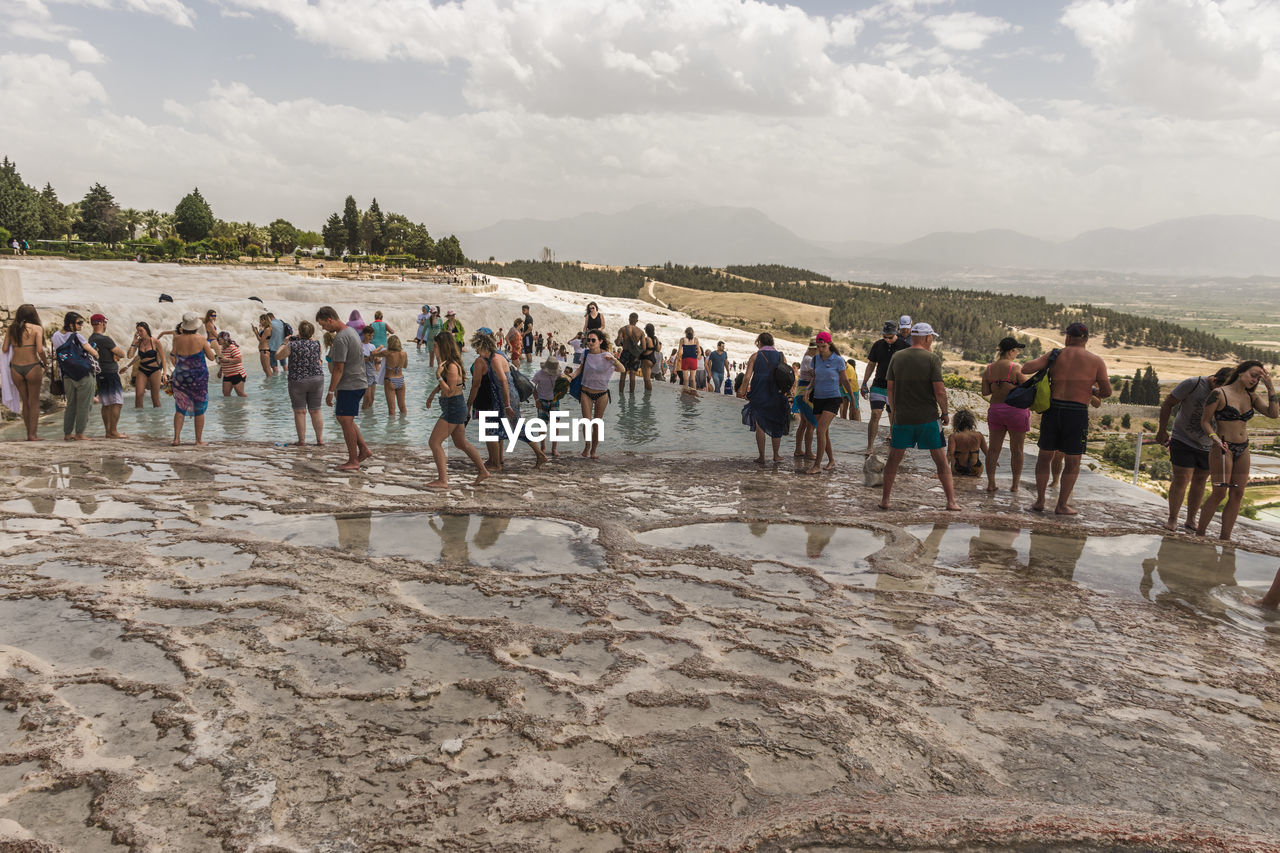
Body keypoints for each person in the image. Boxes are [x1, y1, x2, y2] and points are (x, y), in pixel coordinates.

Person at [1023, 322, 1111, 515]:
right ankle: (1062, 505)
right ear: (1086, 340)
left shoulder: (1056, 355)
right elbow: (1106, 392)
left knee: (1045, 456)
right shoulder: (1096, 361)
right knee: (1073, 461)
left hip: (1053, 410)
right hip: (1076, 412)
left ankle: (1039, 501)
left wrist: (1049, 363)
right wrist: (1092, 388)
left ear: (1068, 338)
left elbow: (1026, 368)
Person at [879, 322, 960, 511]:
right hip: (928, 419)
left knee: (893, 460)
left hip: (902, 418)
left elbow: (890, 388)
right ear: (926, 338)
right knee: (940, 461)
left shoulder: (897, 357)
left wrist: (894, 411)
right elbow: (939, 390)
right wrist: (945, 412)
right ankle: (951, 502)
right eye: (931, 336)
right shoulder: (932, 359)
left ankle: (885, 500)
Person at [1196, 361, 1277, 540]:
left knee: (1238, 494)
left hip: (1243, 447)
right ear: (1240, 372)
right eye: (1253, 375)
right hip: (1222, 446)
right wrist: (1214, 439)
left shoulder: (1252, 397)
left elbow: (1273, 414)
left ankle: (1225, 538)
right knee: (1219, 492)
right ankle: (1199, 534)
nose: (1255, 380)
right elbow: (1205, 422)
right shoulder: (1219, 393)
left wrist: (1270, 386)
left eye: (1259, 378)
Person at [1155, 367, 1231, 532]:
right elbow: (1168, 403)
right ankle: (1172, 518)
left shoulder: (1230, 391)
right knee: (1182, 479)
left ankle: (1190, 520)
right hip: (1183, 438)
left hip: (1210, 444)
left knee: (1200, 481)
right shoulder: (1194, 383)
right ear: (1216, 380)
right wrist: (1162, 430)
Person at [468, 329, 548, 470]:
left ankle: (537, 455)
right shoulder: (498, 355)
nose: (477, 352)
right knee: (513, 427)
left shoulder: (494, 359)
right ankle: (498, 460)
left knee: (514, 427)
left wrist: (507, 405)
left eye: (477, 348)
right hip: (505, 397)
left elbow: (504, 381)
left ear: (482, 346)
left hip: (507, 397)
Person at [424, 333, 489, 488]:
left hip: (453, 409)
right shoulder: (448, 364)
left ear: (443, 347)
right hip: (455, 408)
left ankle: (443, 480)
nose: (434, 348)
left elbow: (449, 391)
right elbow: (446, 386)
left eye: (436, 346)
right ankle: (483, 471)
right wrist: (433, 394)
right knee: (461, 443)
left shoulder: (452, 366)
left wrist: (438, 376)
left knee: (434, 442)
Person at [317, 305, 373, 470]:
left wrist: (330, 391)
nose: (323, 328)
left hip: (350, 384)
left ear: (330, 320)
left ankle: (353, 460)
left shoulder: (341, 338)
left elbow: (339, 368)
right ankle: (363, 449)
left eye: (323, 325)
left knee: (345, 420)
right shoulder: (352, 332)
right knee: (344, 419)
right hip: (358, 381)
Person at [981, 337, 1029, 492]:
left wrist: (998, 386)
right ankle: (1015, 485)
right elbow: (1027, 387)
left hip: (996, 410)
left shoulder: (988, 369)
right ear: (1010, 351)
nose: (1018, 353)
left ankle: (991, 483)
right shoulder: (1015, 368)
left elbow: (985, 392)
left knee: (994, 449)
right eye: (1017, 350)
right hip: (1015, 411)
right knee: (1017, 450)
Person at [802, 332, 852, 474]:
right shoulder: (816, 359)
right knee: (824, 432)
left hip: (833, 398)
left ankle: (817, 465)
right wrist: (807, 389)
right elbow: (815, 378)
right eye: (818, 346)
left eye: (823, 346)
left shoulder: (838, 360)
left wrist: (853, 399)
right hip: (818, 398)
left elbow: (844, 380)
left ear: (829, 344)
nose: (821, 349)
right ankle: (831, 460)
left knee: (820, 430)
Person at [568, 330, 622, 459]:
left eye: (593, 340)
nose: (590, 342)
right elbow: (581, 368)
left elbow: (622, 369)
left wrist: (614, 360)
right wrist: (571, 376)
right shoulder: (585, 354)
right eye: (589, 340)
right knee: (587, 421)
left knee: (597, 423)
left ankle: (594, 450)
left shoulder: (607, 356)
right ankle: (587, 446)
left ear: (600, 341)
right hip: (586, 391)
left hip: (602, 394)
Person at [738, 332, 790, 464]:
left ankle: (762, 457)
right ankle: (776, 455)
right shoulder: (780, 356)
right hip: (777, 393)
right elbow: (786, 375)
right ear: (772, 342)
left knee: (760, 424)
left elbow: (747, 376)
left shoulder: (755, 356)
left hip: (759, 392)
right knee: (777, 423)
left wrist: (742, 390)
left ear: (759, 342)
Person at [168, 312, 217, 446]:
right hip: (198, 378)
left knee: (180, 407)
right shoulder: (201, 339)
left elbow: (173, 354)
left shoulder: (176, 339)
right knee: (199, 408)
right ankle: (198, 440)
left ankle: (176, 439)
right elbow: (211, 357)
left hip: (181, 376)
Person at [861, 321, 910, 455]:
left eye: (890, 337)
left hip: (896, 387)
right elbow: (871, 364)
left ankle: (894, 442)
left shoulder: (905, 347)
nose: (887, 340)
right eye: (885, 337)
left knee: (893, 416)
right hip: (878, 384)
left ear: (896, 334)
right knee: (875, 414)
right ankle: (870, 446)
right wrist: (864, 382)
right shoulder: (878, 345)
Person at [51, 312, 100, 441]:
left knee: (71, 404)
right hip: (83, 374)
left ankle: (67, 433)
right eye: (79, 323)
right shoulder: (77, 336)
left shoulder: (55, 336)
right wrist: (97, 353)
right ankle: (80, 433)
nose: (81, 326)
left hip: (67, 374)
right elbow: (92, 351)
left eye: (81, 323)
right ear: (70, 323)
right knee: (85, 404)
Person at [2, 304, 47, 441]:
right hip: (32, 366)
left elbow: (4, 349)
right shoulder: (37, 329)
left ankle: (29, 434)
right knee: (33, 402)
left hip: (15, 368)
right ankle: (32, 435)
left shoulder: (12, 329)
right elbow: (39, 350)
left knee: (25, 401)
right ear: (33, 315)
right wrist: (46, 363)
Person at [276, 320, 324, 446]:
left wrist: (284, 342)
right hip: (316, 379)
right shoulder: (317, 344)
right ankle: (320, 440)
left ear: (299, 332)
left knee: (300, 411)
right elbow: (319, 359)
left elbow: (277, 356)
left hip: (298, 380)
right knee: (316, 410)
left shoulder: (292, 345)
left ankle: (302, 441)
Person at [88, 314, 128, 438]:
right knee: (117, 402)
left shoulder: (91, 339)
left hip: (99, 373)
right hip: (110, 372)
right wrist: (116, 355)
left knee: (106, 403)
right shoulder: (105, 339)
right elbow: (121, 353)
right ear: (101, 323)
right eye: (104, 322)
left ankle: (108, 431)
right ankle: (114, 431)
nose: (105, 325)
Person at [128, 321, 166, 408]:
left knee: (155, 398)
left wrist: (164, 373)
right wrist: (133, 342)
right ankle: (140, 420)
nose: (139, 333)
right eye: (138, 331)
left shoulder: (155, 342)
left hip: (155, 371)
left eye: (141, 331)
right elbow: (130, 356)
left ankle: (157, 419)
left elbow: (163, 358)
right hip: (142, 370)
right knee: (138, 396)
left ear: (146, 330)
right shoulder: (138, 342)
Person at [532, 357, 563, 457]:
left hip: (554, 400)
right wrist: (536, 400)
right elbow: (532, 387)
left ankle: (554, 449)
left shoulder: (559, 374)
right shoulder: (538, 374)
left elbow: (563, 387)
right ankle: (543, 447)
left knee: (555, 425)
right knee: (542, 425)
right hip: (542, 401)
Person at [793, 339, 818, 460]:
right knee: (811, 424)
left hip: (801, 392)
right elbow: (816, 375)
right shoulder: (809, 359)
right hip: (806, 393)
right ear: (814, 349)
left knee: (803, 423)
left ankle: (798, 450)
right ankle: (808, 452)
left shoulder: (806, 357)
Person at [947, 408, 987, 479]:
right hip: (976, 467)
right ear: (971, 422)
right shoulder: (979, 435)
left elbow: (950, 454)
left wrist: (941, 470)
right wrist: (994, 462)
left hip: (958, 467)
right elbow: (987, 452)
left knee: (954, 456)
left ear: (956, 423)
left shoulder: (954, 436)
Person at [616, 313, 647, 392]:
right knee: (632, 375)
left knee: (623, 374)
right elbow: (644, 348)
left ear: (629, 319)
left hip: (625, 353)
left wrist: (622, 342)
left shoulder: (623, 329)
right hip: (635, 355)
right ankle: (631, 395)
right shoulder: (641, 332)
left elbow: (618, 343)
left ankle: (621, 394)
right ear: (637, 320)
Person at [381, 335, 408, 415]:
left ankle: (391, 427)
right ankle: (403, 426)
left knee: (392, 409)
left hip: (390, 380)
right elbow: (405, 366)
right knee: (403, 407)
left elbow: (374, 354)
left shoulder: (387, 353)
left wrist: (380, 347)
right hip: (401, 380)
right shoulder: (404, 354)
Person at [216, 331, 248, 397]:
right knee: (226, 394)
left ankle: (246, 406)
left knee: (240, 394)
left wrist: (227, 360)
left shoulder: (232, 348)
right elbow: (223, 361)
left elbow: (239, 359)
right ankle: (230, 407)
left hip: (237, 374)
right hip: (227, 375)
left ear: (225, 339)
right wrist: (220, 371)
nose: (217, 341)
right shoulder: (222, 349)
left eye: (219, 339)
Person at [360, 326, 379, 411]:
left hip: (372, 372)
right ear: (364, 334)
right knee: (367, 397)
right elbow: (357, 360)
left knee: (372, 399)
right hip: (363, 373)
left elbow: (376, 361)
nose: (371, 337)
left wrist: (378, 360)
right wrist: (369, 358)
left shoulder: (373, 346)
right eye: (369, 335)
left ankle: (369, 418)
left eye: (372, 335)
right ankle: (363, 414)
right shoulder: (360, 345)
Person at [678, 328, 701, 396]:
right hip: (693, 360)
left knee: (685, 379)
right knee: (692, 379)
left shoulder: (682, 340)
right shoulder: (695, 340)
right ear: (693, 332)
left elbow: (679, 351)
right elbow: (699, 352)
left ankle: (685, 394)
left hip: (685, 359)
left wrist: (679, 357)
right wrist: (696, 358)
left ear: (685, 332)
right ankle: (694, 393)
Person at [640, 323, 660, 389]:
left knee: (647, 380)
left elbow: (642, 349)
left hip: (646, 359)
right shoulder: (655, 339)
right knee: (647, 379)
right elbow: (658, 349)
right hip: (652, 359)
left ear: (646, 330)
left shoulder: (646, 339)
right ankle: (647, 396)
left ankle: (647, 397)